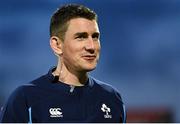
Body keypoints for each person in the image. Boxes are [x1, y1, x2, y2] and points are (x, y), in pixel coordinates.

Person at [0, 3, 126, 123]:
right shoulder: (26, 98)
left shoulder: (112, 98)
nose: (91, 46)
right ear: (57, 45)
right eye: (81, 37)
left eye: (95, 37)